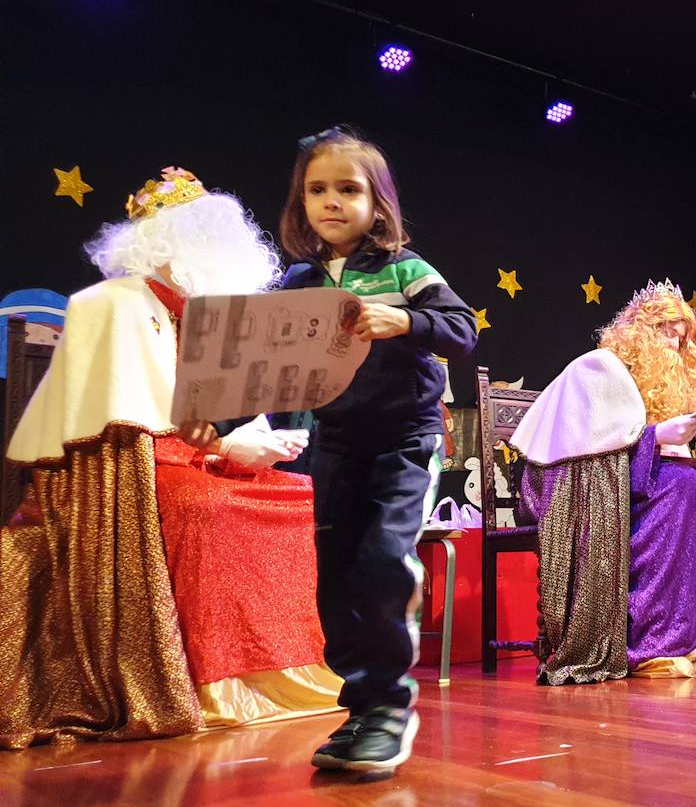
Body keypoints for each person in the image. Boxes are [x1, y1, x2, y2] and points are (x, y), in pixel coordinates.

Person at [2, 168, 340, 750]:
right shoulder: (110, 304)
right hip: (122, 468)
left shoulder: (202, 313)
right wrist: (225, 447)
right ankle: (210, 682)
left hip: (190, 460)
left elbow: (213, 412)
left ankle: (277, 675)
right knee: (205, 509)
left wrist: (251, 440)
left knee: (293, 494)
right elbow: (123, 417)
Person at [279, 128, 479, 772]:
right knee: (336, 572)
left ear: (378, 202)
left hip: (405, 439)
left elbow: (462, 330)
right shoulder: (297, 281)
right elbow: (269, 360)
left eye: (348, 189)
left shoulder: (405, 269)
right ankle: (360, 707)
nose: (331, 201)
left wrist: (408, 321)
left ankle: (390, 708)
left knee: (383, 560)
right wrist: (225, 420)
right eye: (317, 190)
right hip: (335, 444)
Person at [512, 280, 696, 684]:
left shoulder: (661, 383)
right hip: (575, 490)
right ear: (639, 330)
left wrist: (695, 459)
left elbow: (635, 447)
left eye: (680, 338)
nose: (673, 345)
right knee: (681, 486)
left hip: (629, 481)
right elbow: (586, 454)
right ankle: (653, 641)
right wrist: (657, 437)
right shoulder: (599, 368)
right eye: (665, 332)